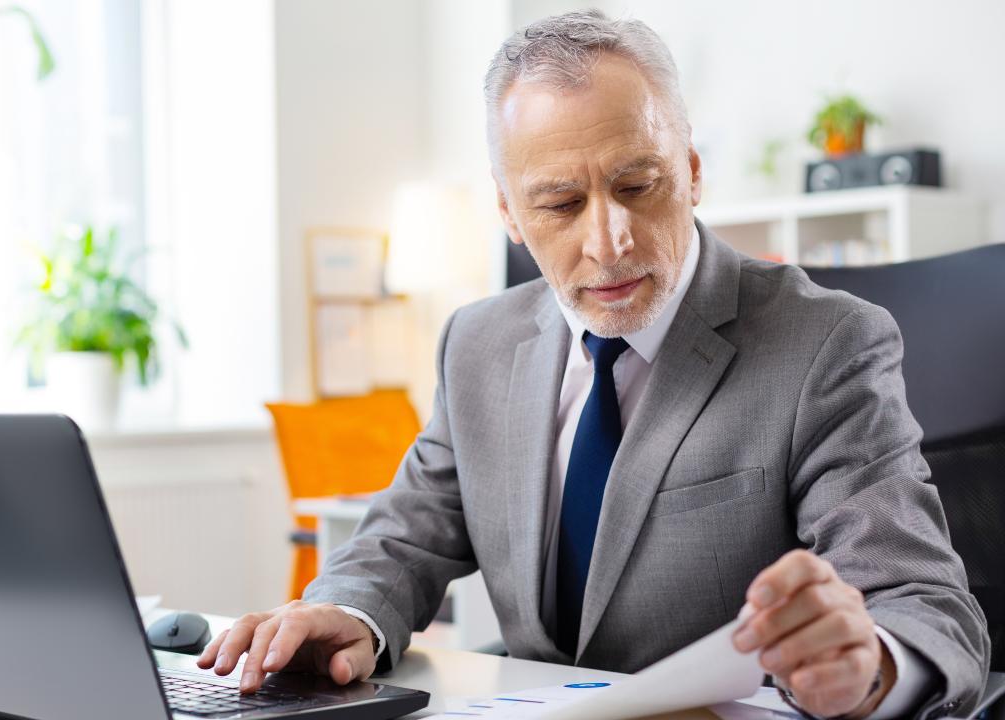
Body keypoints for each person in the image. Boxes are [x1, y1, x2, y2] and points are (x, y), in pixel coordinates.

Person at [198, 11, 989, 719]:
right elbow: (404, 540)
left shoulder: (826, 344)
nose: (609, 240)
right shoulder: (475, 344)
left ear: (692, 170)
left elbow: (925, 606)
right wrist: (348, 614)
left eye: (638, 185)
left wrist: (872, 668)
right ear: (508, 212)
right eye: (560, 203)